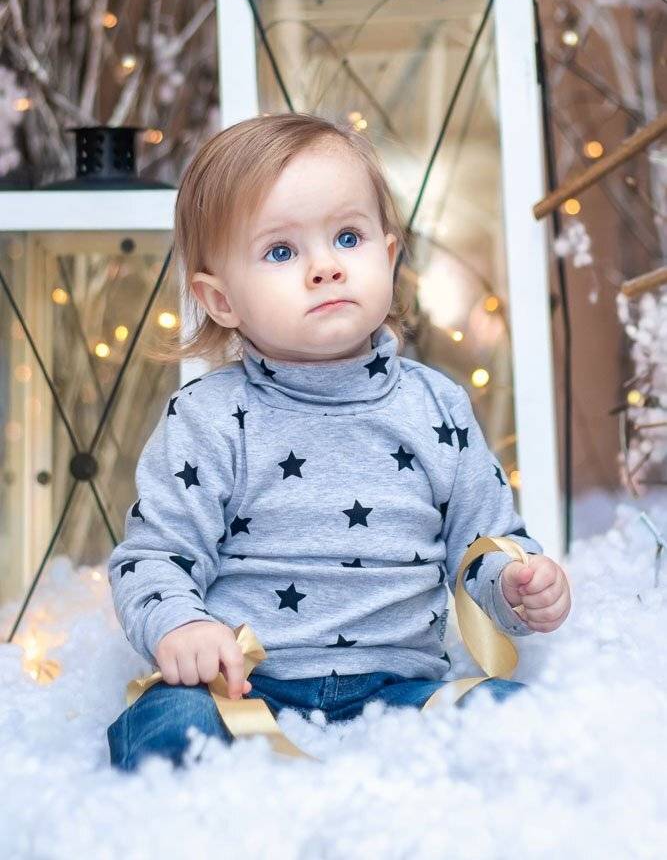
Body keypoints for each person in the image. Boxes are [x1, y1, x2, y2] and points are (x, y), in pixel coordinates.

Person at [106, 112, 571, 772]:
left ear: (388, 256)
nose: (324, 267)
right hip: (243, 691)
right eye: (280, 252)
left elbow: (482, 544)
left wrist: (517, 584)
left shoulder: (435, 405)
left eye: (347, 237)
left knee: (519, 718)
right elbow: (154, 555)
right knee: (166, 726)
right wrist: (181, 626)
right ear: (221, 300)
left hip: (400, 694)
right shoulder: (209, 417)